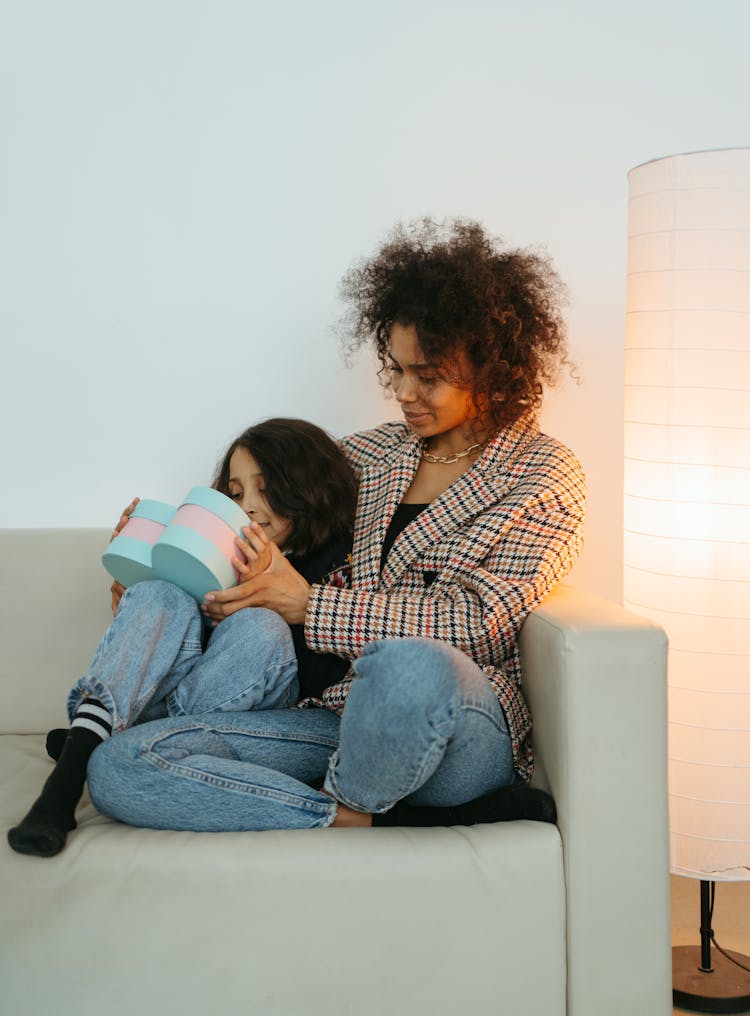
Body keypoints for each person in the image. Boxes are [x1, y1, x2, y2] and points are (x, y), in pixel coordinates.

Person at [42, 217, 586, 840]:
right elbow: (269, 523)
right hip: (331, 719)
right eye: (397, 369)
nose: (404, 393)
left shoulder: (544, 474)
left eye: (427, 375)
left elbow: (483, 626)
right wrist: (168, 556)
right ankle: (358, 814)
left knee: (410, 667)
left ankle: (422, 796)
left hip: (452, 721)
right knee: (120, 766)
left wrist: (310, 605)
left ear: (493, 368)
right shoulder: (365, 455)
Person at [7, 418, 357, 857]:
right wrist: (137, 595)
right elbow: (181, 652)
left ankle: (97, 740)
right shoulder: (221, 558)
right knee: (159, 594)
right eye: (235, 493)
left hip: (273, 716)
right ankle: (69, 776)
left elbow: (336, 664)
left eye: (265, 488)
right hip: (194, 698)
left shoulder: (344, 558)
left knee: (259, 627)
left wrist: (280, 604)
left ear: (305, 485)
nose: (247, 506)